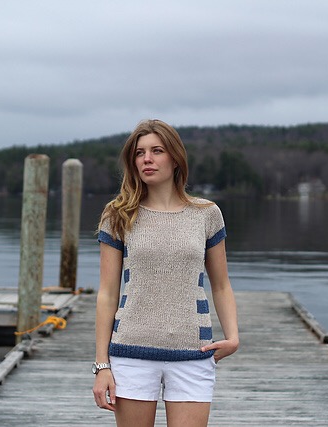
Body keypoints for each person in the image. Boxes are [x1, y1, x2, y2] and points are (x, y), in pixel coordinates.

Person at [92, 119, 239, 427]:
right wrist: (102, 365)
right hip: (131, 354)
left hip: (192, 354)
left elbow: (221, 285)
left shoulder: (206, 214)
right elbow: (107, 293)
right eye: (140, 153)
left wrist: (233, 337)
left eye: (157, 151)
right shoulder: (118, 214)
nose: (147, 159)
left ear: (175, 158)